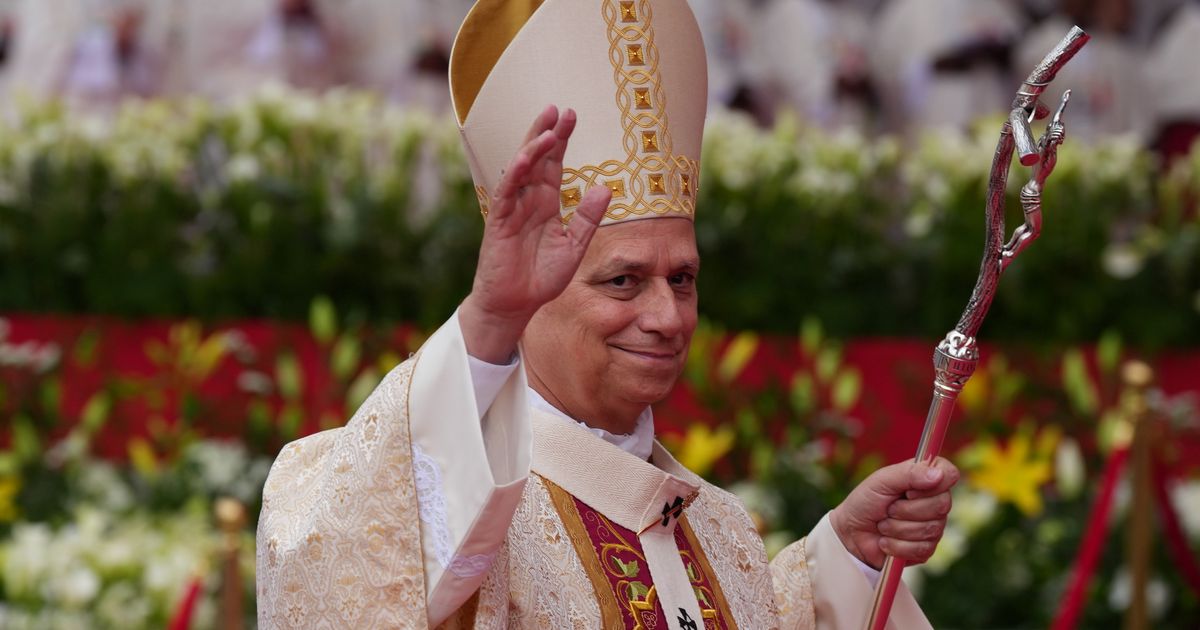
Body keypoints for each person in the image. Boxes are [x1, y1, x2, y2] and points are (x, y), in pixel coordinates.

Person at [256, 0, 959, 627]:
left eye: (681, 279)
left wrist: (849, 560)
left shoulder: (719, 531)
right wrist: (489, 318)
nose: (667, 316)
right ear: (532, 291)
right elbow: (357, 572)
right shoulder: (459, 514)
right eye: (623, 281)